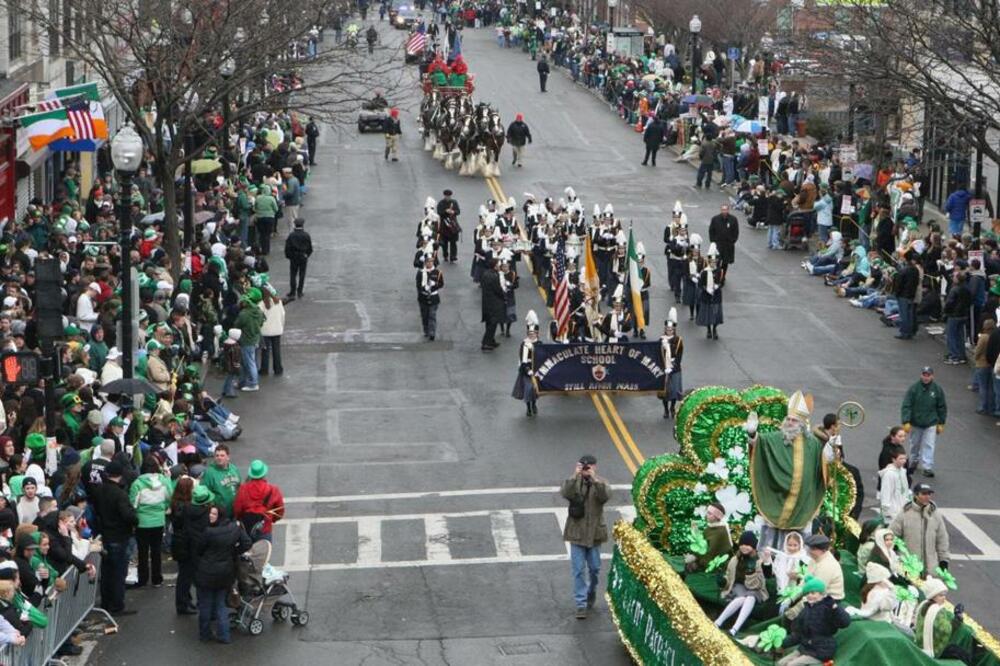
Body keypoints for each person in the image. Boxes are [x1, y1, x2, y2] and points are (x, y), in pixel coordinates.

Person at [747, 390, 834, 550]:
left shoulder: (813, 444)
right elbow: (759, 443)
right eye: (789, 419)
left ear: (802, 424)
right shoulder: (775, 438)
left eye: (794, 421)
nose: (789, 423)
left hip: (802, 501)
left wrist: (829, 454)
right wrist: (752, 433)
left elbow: (821, 467)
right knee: (771, 539)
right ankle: (768, 562)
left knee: (798, 541)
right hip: (777, 498)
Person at [561, 455, 609, 619]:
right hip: (577, 533)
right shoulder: (575, 482)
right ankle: (581, 604)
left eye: (589, 467)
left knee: (595, 569)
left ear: (595, 467)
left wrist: (594, 479)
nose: (587, 470)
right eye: (584, 467)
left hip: (594, 534)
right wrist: (575, 474)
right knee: (578, 571)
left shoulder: (600, 483)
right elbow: (565, 492)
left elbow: (605, 496)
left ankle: (591, 591)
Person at [195, 505, 251, 643]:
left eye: (213, 514)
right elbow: (246, 543)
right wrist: (233, 552)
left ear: (219, 515)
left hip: (206, 572)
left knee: (205, 605)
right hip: (225, 572)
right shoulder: (234, 528)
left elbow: (199, 549)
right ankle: (224, 635)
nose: (210, 516)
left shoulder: (208, 532)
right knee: (221, 605)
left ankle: (205, 634)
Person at [91, 460, 138, 615]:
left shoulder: (100, 491)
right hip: (119, 536)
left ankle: (106, 602)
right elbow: (127, 515)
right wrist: (134, 515)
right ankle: (117, 605)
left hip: (106, 535)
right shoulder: (120, 494)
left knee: (107, 572)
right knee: (118, 573)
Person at [777, 577, 851, 666]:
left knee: (791, 665)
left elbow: (845, 622)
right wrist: (783, 644)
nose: (809, 595)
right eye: (807, 593)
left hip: (822, 651)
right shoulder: (806, 610)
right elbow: (798, 633)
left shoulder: (828, 608)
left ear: (821, 594)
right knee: (780, 663)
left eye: (813, 593)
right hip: (806, 648)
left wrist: (835, 608)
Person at [715, 531, 768, 637]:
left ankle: (734, 629)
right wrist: (724, 580)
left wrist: (750, 573)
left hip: (755, 589)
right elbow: (729, 575)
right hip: (738, 587)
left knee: (750, 597)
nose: (744, 547)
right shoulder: (735, 559)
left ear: (753, 546)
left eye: (748, 545)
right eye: (742, 544)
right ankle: (718, 622)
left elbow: (758, 584)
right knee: (742, 598)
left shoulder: (758, 561)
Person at [170, 479, 212, 615]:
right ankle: (183, 604)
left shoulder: (178, 505)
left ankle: (185, 601)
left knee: (184, 575)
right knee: (185, 577)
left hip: (180, 544)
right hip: (187, 547)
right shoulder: (189, 509)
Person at [129, 457, 171, 588]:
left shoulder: (137, 483)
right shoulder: (164, 481)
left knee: (142, 552)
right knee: (156, 550)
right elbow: (169, 497)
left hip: (142, 522)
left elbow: (133, 504)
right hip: (159, 520)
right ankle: (157, 578)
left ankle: (143, 579)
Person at [890, 482, 950, 573]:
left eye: (929, 494)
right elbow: (892, 535)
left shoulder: (935, 514)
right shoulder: (904, 514)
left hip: (930, 569)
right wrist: (894, 553)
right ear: (916, 495)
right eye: (924, 494)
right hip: (908, 568)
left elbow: (942, 539)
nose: (927, 496)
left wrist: (944, 560)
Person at [901, 366, 947, 477]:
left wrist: (941, 422)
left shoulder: (937, 390)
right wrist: (906, 420)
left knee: (929, 444)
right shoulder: (914, 389)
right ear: (921, 375)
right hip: (916, 422)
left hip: (931, 422)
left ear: (932, 376)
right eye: (924, 375)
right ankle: (914, 461)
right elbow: (906, 405)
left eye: (928, 375)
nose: (926, 377)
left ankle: (927, 467)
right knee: (914, 444)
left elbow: (942, 407)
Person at [913, 577, 967, 659]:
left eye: (944, 595)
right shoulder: (936, 611)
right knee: (960, 653)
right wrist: (957, 619)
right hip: (932, 649)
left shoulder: (924, 604)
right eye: (941, 595)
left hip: (920, 643)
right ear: (933, 596)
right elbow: (946, 629)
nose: (944, 598)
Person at [233, 459, 285, 542]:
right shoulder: (273, 490)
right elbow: (279, 511)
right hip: (265, 527)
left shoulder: (243, 489)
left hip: (247, 527)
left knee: (247, 552)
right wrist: (272, 519)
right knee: (264, 552)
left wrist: (241, 519)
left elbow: (237, 509)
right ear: (264, 473)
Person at [684, 502, 731, 572]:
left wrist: (694, 557)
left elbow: (710, 553)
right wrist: (696, 532)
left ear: (717, 517)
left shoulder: (720, 532)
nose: (707, 515)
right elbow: (703, 542)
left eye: (709, 513)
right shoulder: (711, 527)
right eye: (707, 512)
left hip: (716, 566)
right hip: (705, 559)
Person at [234, 289, 265, 392]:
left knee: (249, 363)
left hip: (246, 340)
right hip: (255, 339)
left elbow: (237, 325)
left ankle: (253, 383)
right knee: (249, 362)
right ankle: (242, 381)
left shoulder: (244, 314)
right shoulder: (259, 311)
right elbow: (261, 322)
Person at [201, 445, 242, 517]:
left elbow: (239, 486)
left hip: (235, 512)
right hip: (220, 515)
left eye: (222, 455)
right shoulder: (209, 473)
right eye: (217, 455)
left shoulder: (234, 469)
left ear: (228, 457)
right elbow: (204, 493)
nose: (219, 458)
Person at [511, 311, 539, 416]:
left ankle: (534, 404)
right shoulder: (525, 345)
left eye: (534, 333)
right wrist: (528, 370)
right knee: (528, 389)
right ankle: (528, 408)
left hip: (536, 369)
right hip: (526, 370)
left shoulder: (538, 343)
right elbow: (523, 360)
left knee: (535, 390)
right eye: (530, 334)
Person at [943, 267, 971, 364]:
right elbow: (970, 302)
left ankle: (953, 356)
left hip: (954, 315)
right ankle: (961, 355)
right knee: (960, 336)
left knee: (951, 336)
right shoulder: (967, 288)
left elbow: (949, 303)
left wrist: (946, 312)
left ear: (957, 279)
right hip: (963, 314)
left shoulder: (954, 289)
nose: (953, 278)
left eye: (954, 276)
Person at [660, 309, 684, 419]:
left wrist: (673, 367)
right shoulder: (661, 340)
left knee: (674, 391)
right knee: (664, 392)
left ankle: (672, 408)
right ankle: (665, 409)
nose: (669, 331)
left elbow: (679, 357)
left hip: (674, 368)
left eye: (671, 329)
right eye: (667, 329)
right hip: (664, 367)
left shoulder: (679, 340)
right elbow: (658, 354)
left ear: (673, 330)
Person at [284, 217, 313, 301]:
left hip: (294, 257)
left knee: (293, 274)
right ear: (303, 225)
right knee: (302, 274)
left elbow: (287, 248)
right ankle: (299, 291)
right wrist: (307, 255)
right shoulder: (306, 235)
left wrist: (289, 256)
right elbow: (310, 248)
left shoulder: (291, 235)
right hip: (303, 256)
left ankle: (292, 291)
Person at [416, 253, 444, 341]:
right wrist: (424, 289)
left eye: (431, 261)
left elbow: (441, 284)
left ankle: (432, 333)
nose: (430, 263)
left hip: (433, 297)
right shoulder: (420, 273)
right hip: (423, 298)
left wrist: (434, 285)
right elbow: (418, 285)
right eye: (428, 262)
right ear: (425, 263)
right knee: (425, 315)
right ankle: (426, 330)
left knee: (432, 315)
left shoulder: (437, 272)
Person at [878, 449, 910, 522]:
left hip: (902, 509)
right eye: (901, 459)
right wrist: (887, 511)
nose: (904, 461)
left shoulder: (902, 471)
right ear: (893, 459)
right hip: (892, 511)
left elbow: (905, 489)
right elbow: (886, 492)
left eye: (905, 458)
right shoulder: (889, 474)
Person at [480, 259, 506, 351]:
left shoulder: (485, 273)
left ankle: (491, 340)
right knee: (493, 323)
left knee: (489, 322)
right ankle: (485, 342)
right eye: (498, 265)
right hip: (494, 303)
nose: (499, 266)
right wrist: (504, 297)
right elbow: (498, 289)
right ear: (495, 266)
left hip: (486, 302)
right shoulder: (494, 276)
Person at [259, 290, 285, 376]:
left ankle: (264, 369)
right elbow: (282, 314)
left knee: (265, 351)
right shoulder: (278, 302)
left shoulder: (261, 304)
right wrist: (281, 325)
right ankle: (278, 369)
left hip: (265, 331)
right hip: (277, 330)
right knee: (276, 350)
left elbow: (259, 318)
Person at [708, 203, 739, 270]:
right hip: (718, 244)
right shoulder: (715, 219)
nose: (724, 211)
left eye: (725, 210)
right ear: (721, 210)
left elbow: (736, 231)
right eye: (723, 210)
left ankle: (723, 276)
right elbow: (711, 230)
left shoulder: (733, 219)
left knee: (725, 262)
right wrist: (713, 241)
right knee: (717, 260)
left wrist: (732, 241)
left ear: (728, 210)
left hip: (728, 244)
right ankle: (717, 275)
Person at [253, 184, 279, 256]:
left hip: (260, 218)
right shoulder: (271, 198)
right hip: (270, 218)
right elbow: (276, 209)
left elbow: (255, 208)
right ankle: (266, 250)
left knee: (262, 234)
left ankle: (262, 248)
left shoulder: (258, 198)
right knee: (267, 234)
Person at [436, 190, 461, 263]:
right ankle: (445, 255)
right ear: (444, 196)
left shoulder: (454, 202)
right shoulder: (441, 203)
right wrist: (445, 211)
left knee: (453, 242)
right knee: (444, 243)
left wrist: (453, 212)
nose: (448, 197)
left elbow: (458, 211)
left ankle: (453, 256)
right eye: (446, 196)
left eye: (449, 196)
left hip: (453, 224)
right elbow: (439, 212)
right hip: (444, 225)